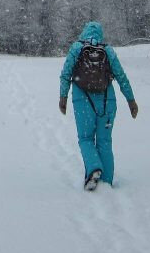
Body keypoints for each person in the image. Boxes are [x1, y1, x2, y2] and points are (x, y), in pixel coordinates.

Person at [59, 21, 138, 190]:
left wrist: (63, 97)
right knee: (104, 141)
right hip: (107, 101)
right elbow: (121, 77)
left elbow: (65, 74)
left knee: (86, 138)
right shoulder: (107, 51)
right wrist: (131, 100)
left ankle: (94, 168)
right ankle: (107, 182)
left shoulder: (76, 49)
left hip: (82, 100)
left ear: (84, 32)